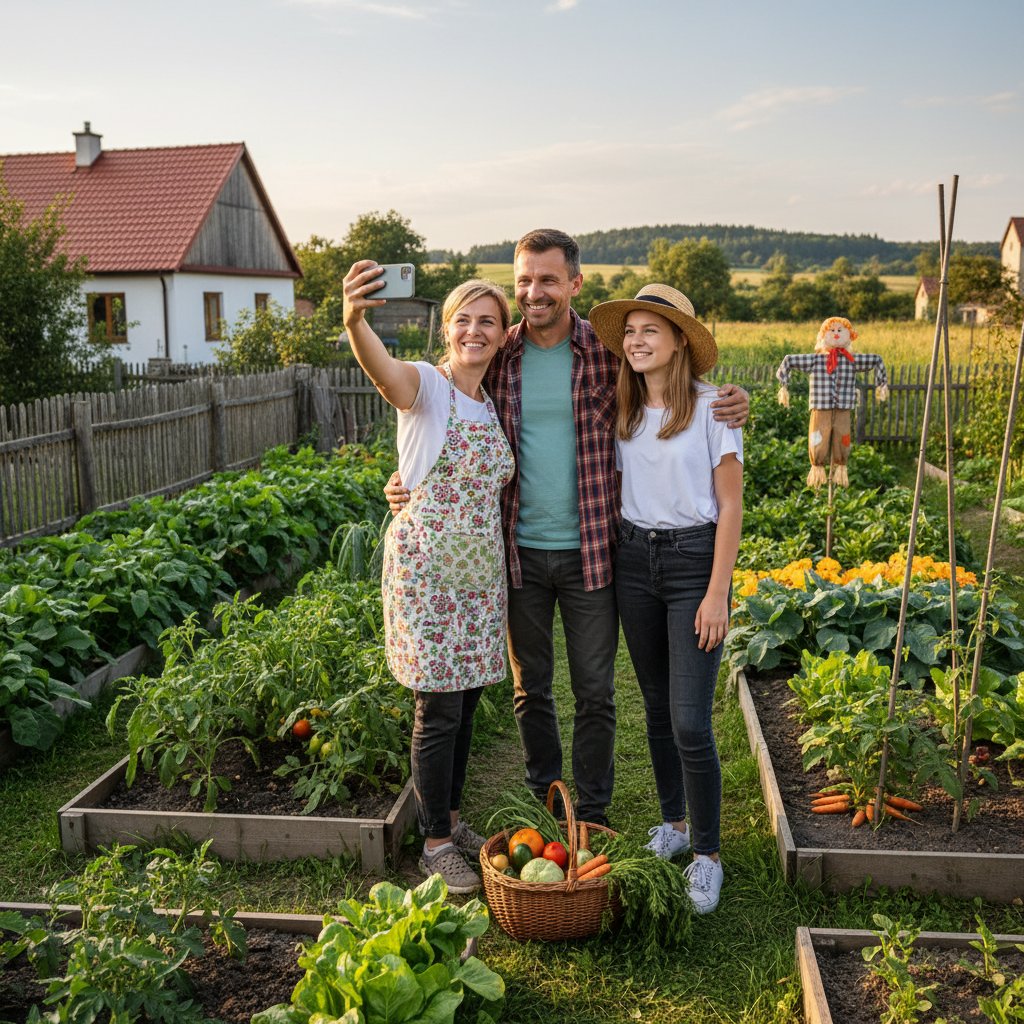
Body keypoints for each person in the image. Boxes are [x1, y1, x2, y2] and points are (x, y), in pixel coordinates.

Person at [386, 229, 749, 826]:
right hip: (514, 553)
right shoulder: (494, 352)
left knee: (596, 692)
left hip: (594, 552)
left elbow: (673, 381)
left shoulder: (606, 354)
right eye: (524, 280)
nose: (535, 292)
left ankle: (595, 810)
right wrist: (402, 480)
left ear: (574, 284)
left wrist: (735, 400)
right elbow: (429, 412)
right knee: (532, 691)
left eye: (549, 280)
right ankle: (549, 799)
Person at [343, 261, 515, 893]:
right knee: (437, 708)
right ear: (448, 331)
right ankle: (435, 843)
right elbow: (383, 373)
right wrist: (355, 321)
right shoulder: (428, 387)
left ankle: (451, 815)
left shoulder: (488, 402)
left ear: (502, 335)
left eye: (488, 321)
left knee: (466, 703)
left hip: (477, 575)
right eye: (464, 320)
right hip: (428, 574)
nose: (475, 330)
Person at [588, 284, 743, 914]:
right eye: (630, 332)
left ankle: (708, 854)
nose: (636, 341)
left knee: (689, 719)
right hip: (633, 560)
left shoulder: (714, 410)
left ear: (680, 339)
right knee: (655, 708)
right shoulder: (621, 408)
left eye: (651, 330)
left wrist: (716, 594)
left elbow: (730, 506)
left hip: (691, 563)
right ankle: (674, 825)